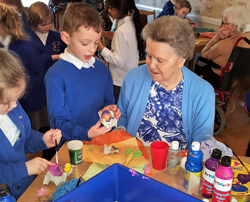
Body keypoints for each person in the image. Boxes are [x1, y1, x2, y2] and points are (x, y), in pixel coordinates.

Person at [117, 16, 215, 150]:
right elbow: (122, 115)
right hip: (134, 157)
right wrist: (121, 131)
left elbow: (202, 141)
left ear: (181, 60)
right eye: (149, 56)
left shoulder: (203, 92)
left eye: (160, 60)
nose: (151, 65)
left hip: (178, 165)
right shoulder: (133, 78)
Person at [45, 3, 121, 147]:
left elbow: (107, 102)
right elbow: (58, 124)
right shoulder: (55, 76)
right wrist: (86, 133)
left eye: (96, 43)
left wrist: (110, 112)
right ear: (66, 38)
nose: (91, 50)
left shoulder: (101, 69)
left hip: (101, 142)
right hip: (72, 148)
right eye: (85, 43)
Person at [0, 49, 62, 199]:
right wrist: (24, 169)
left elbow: (25, 137)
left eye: (17, 99)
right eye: (7, 102)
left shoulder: (12, 109)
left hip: (27, 189)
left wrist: (42, 140)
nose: (15, 106)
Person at [0, 3, 49, 131]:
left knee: (36, 129)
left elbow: (39, 73)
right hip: (10, 101)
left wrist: (18, 88)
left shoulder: (25, 46)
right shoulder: (3, 46)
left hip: (33, 100)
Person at [98, 0, 145, 103]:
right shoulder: (130, 25)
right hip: (129, 77)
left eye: (111, 8)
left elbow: (119, 61)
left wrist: (101, 47)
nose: (109, 11)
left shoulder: (122, 31)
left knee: (117, 112)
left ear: (121, 9)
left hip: (120, 81)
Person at [195, 6, 250, 89]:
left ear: (233, 27)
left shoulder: (223, 45)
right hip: (240, 80)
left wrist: (216, 38)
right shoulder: (247, 37)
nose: (220, 26)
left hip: (220, 78)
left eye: (223, 23)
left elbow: (203, 54)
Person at [27, 1, 66, 72]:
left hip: (56, 75)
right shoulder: (27, 40)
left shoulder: (58, 37)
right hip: (37, 78)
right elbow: (30, 61)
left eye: (50, 23)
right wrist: (53, 57)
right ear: (33, 23)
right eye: (43, 25)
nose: (48, 27)